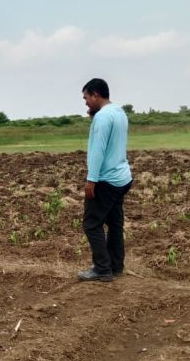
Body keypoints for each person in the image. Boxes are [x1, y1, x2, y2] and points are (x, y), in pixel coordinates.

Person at [77, 78, 133, 282]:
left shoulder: (102, 118)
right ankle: (116, 266)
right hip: (122, 178)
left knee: (91, 224)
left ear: (96, 95)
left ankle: (102, 269)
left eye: (86, 98)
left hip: (106, 180)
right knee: (115, 223)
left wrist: (91, 181)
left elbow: (98, 152)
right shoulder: (119, 112)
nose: (85, 103)